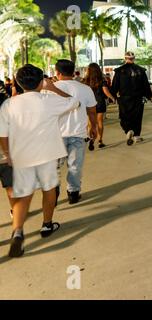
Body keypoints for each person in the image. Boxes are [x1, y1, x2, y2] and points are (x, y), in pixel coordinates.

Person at [0, 64, 80, 258]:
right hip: (46, 154)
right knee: (48, 189)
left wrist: (7, 153)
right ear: (40, 82)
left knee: (23, 196)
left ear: (18, 83)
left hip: (21, 155)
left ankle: (18, 230)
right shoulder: (48, 100)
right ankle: (46, 225)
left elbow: (3, 134)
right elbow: (74, 102)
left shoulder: (10, 104)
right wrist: (52, 88)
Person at [52, 59, 98, 205]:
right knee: (75, 166)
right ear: (73, 72)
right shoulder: (85, 89)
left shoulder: (49, 89)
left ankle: (53, 193)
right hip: (78, 134)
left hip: (55, 136)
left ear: (57, 72)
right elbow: (92, 111)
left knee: (54, 167)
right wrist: (94, 128)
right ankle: (73, 193)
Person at [110, 51, 152, 146]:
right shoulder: (141, 70)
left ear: (125, 58)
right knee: (137, 117)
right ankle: (136, 135)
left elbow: (115, 86)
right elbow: (145, 84)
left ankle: (128, 130)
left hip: (124, 99)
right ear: (134, 59)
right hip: (138, 99)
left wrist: (112, 97)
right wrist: (149, 96)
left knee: (124, 116)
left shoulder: (119, 71)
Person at [83, 63, 116, 149]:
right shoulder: (102, 80)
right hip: (100, 102)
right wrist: (112, 98)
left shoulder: (85, 80)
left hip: (89, 103)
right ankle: (100, 141)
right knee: (100, 122)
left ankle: (91, 139)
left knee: (90, 123)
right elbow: (105, 91)